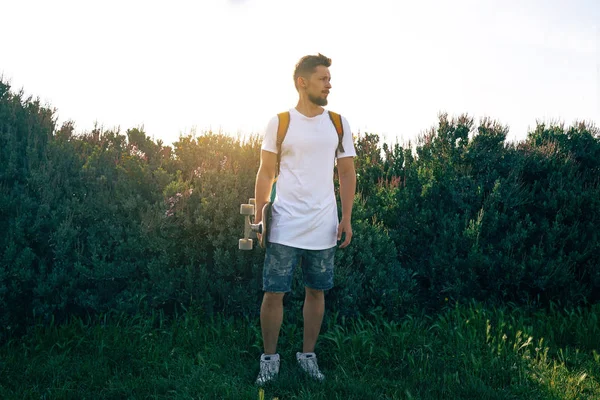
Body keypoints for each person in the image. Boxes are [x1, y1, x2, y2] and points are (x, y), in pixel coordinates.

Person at [253, 53, 357, 385]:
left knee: (317, 292)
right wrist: (258, 216)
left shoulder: (338, 123)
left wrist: (347, 218)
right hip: (284, 223)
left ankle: (307, 355)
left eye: (329, 78)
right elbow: (266, 172)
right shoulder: (280, 122)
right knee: (273, 293)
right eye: (323, 78)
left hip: (324, 225)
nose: (329, 83)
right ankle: (269, 360)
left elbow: (347, 172)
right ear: (303, 82)